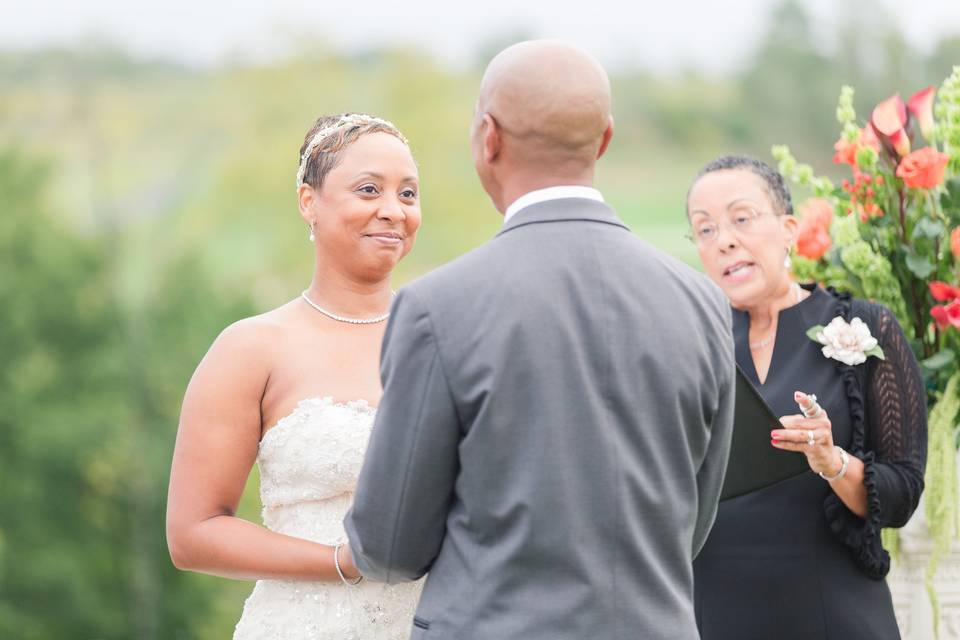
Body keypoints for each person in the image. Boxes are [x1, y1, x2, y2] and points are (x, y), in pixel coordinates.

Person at [343, 40, 736, 639]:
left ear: (488, 137)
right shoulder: (701, 301)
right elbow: (694, 521)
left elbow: (390, 545)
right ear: (604, 139)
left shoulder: (439, 306)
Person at [165, 112, 424, 639]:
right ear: (309, 201)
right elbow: (193, 535)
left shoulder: (443, 340)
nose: (393, 211)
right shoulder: (251, 348)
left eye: (409, 194)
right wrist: (345, 561)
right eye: (369, 189)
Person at [687, 155, 927, 640]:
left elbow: (901, 495)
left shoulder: (863, 327)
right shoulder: (689, 343)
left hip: (832, 613)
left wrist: (831, 459)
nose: (724, 240)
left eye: (741, 218)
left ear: (789, 228)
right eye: (705, 230)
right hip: (712, 614)